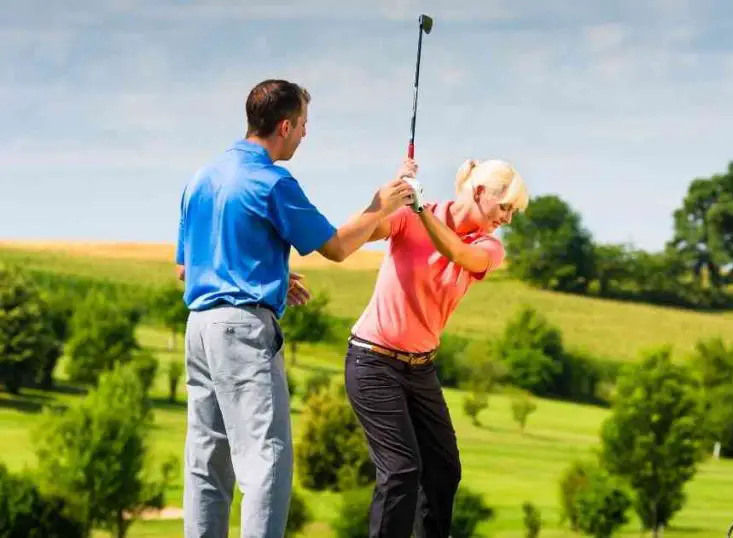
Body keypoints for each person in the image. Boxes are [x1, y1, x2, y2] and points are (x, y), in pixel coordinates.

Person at [174, 78, 417, 538]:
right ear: (284, 125)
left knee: (207, 462)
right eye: (303, 124)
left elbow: (187, 268)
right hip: (243, 333)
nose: (305, 134)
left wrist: (277, 275)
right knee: (266, 461)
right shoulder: (272, 182)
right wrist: (379, 206)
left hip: (199, 329)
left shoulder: (201, 177)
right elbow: (337, 247)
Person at [344, 157, 529, 538]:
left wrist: (420, 211)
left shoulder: (488, 246)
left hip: (420, 368)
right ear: (479, 193)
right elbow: (360, 231)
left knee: (444, 470)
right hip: (373, 361)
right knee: (400, 471)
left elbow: (457, 254)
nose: (508, 218)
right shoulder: (408, 218)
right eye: (506, 207)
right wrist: (390, 198)